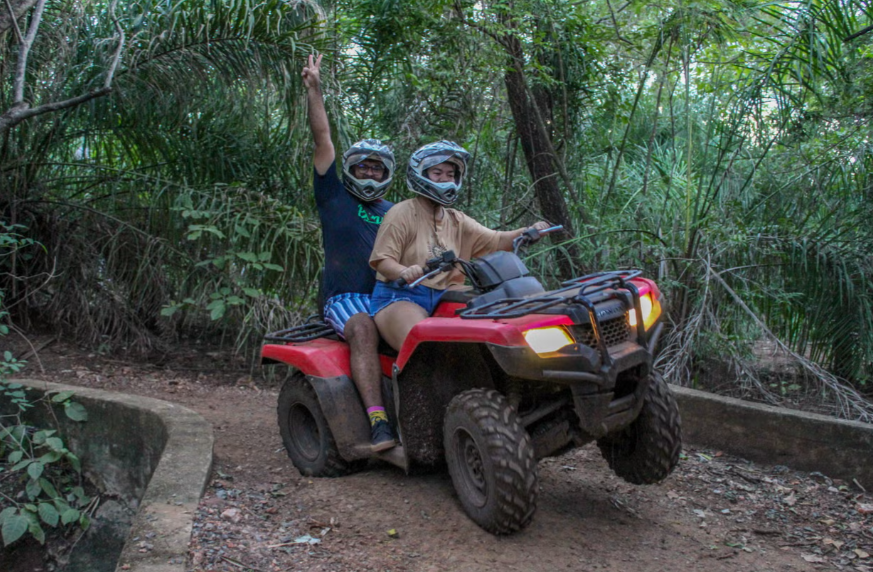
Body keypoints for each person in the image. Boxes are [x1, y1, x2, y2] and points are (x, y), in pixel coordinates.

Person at [368, 140, 550, 351]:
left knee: (497, 321)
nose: (445, 179)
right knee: (423, 347)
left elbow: (497, 240)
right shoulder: (402, 213)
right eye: (437, 173)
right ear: (421, 174)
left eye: (450, 174)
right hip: (401, 296)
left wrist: (528, 232)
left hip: (447, 294)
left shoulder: (457, 219)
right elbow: (382, 259)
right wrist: (405, 271)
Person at [302, 53, 396, 452]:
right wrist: (314, 88)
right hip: (346, 298)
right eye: (364, 168)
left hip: (389, 296)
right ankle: (378, 422)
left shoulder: (396, 212)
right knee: (362, 328)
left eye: (377, 168)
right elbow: (323, 139)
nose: (370, 174)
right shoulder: (333, 196)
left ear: (387, 172)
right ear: (351, 170)